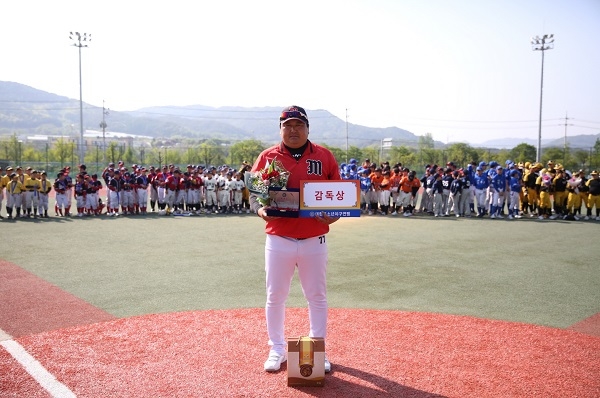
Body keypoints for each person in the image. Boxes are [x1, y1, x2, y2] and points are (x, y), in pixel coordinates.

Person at [249, 106, 340, 374]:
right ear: (280, 129)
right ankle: (276, 348)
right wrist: (259, 208)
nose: (293, 130)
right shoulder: (267, 156)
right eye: (287, 125)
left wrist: (333, 216)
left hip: (314, 237)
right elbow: (256, 192)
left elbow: (339, 192)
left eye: (298, 125)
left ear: (308, 128)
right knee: (275, 296)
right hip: (279, 236)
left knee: (317, 296)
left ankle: (317, 348)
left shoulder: (324, 155)